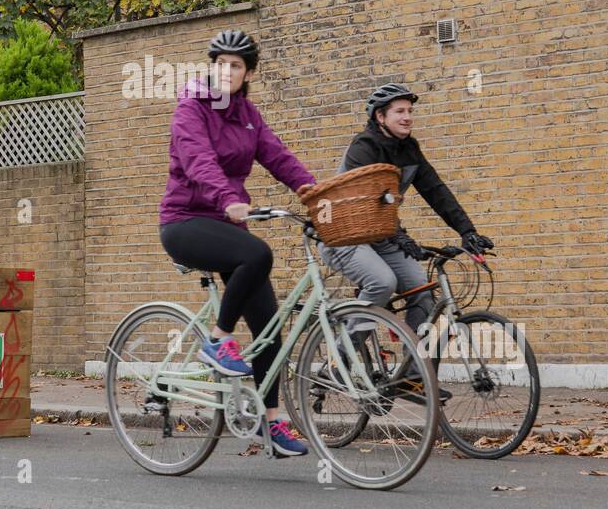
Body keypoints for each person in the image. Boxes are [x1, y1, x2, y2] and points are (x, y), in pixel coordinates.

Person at [158, 30, 317, 456]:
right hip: (186, 220)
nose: (227, 71)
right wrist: (228, 199)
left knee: (269, 329)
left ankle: (272, 422)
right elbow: (197, 160)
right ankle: (218, 339)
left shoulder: (248, 115)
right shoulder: (191, 108)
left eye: (236, 65)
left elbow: (276, 154)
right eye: (221, 63)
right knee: (258, 253)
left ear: (247, 74)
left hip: (227, 225)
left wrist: (311, 190)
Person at [320, 82, 494, 403]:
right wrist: (401, 237)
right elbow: (371, 199)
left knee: (422, 293)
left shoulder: (409, 150)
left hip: (381, 235)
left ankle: (413, 378)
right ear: (380, 116)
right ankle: (338, 361)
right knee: (382, 281)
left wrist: (466, 231)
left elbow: (436, 191)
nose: (407, 117)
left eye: (410, 111)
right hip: (344, 235)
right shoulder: (364, 148)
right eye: (400, 111)